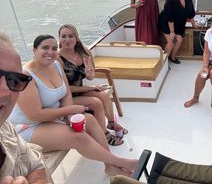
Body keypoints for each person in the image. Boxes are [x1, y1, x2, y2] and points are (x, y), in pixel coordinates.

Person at [8, 35, 138, 176]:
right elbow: (35, 114)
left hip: (53, 118)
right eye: (45, 48)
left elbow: (66, 94)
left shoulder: (56, 65)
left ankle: (110, 166)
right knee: (78, 137)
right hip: (29, 127)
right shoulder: (26, 76)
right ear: (34, 50)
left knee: (90, 120)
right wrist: (71, 109)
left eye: (53, 48)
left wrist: (69, 115)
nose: (50, 52)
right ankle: (122, 163)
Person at [58, 24, 127, 145]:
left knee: (103, 95)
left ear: (77, 38)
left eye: (71, 36)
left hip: (80, 91)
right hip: (66, 97)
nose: (67, 39)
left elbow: (91, 77)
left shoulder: (83, 53)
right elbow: (65, 89)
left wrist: (90, 74)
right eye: (63, 36)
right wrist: (91, 87)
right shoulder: (58, 60)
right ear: (59, 38)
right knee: (96, 102)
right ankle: (103, 135)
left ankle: (111, 123)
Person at [0, 32, 50, 184]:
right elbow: (36, 114)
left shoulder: (5, 129)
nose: (4, 90)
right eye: (45, 48)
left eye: (14, 81)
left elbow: (36, 164)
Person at [159, 0, 197, 64]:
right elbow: (170, 17)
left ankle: (172, 57)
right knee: (172, 41)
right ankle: (163, 63)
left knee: (179, 40)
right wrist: (172, 32)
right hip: (166, 22)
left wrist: (194, 24)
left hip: (178, 23)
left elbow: (191, 11)